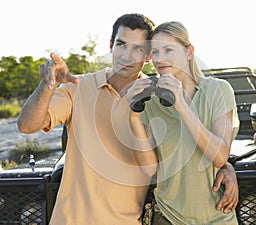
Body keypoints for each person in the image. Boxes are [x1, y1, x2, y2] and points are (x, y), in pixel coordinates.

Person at [17, 14, 238, 225]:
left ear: (148, 56)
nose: (126, 56)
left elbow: (164, 159)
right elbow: (27, 125)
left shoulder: (154, 98)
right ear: (111, 45)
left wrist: (227, 165)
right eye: (121, 45)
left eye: (138, 49)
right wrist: (48, 85)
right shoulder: (79, 88)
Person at [127, 21, 240, 225]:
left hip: (218, 217)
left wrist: (182, 106)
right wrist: (133, 116)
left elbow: (220, 156)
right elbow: (149, 169)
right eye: (155, 52)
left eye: (168, 50)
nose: (160, 59)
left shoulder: (218, 90)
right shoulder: (151, 102)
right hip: (168, 216)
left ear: (189, 52)